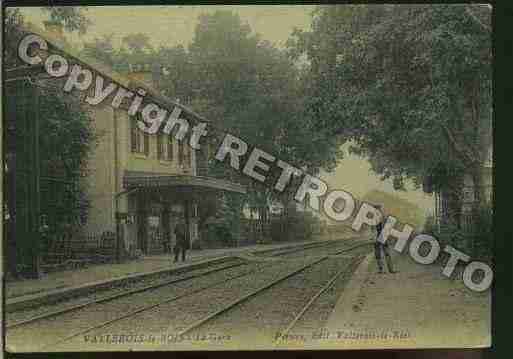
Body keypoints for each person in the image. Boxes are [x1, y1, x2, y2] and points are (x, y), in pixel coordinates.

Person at [374, 205, 396, 274]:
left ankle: (387, 269)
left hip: (381, 236)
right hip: (380, 237)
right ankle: (386, 269)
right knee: (382, 253)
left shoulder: (381, 218)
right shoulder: (379, 218)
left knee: (384, 253)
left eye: (378, 209)